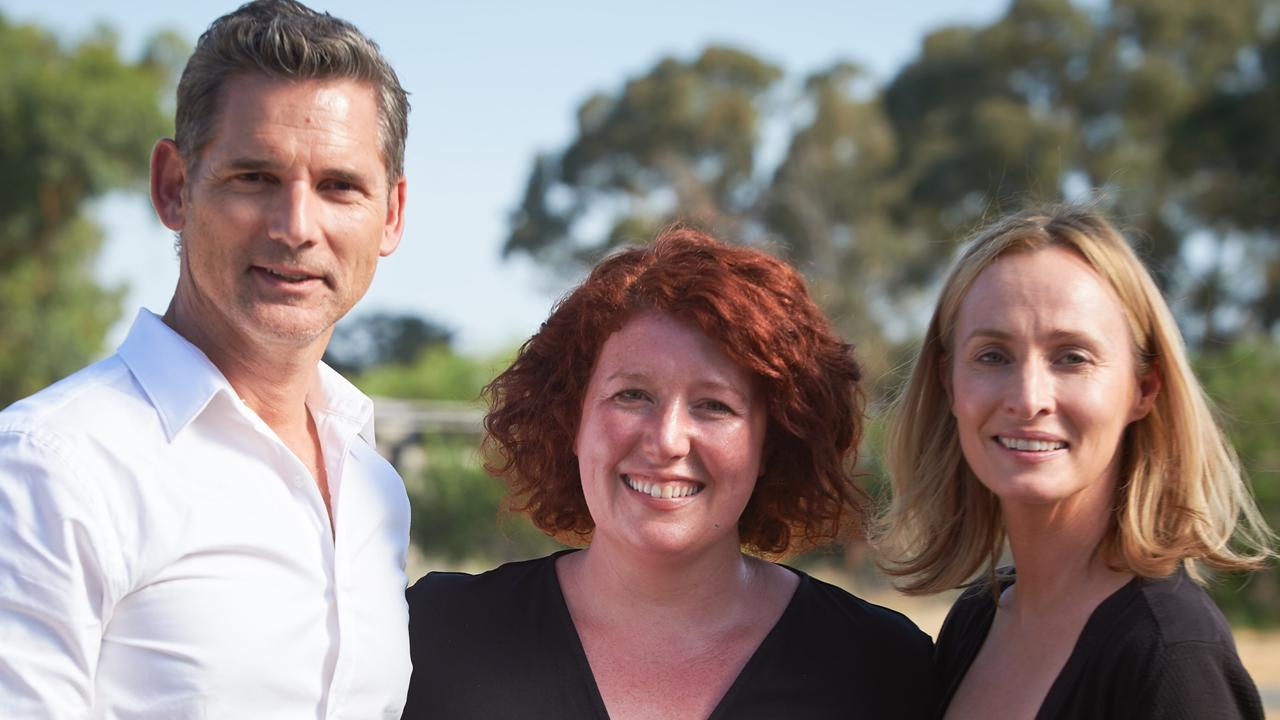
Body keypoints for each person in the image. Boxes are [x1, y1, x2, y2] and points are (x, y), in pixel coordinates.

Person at [0, 1, 414, 716]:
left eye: (339, 186)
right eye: (253, 178)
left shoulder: (374, 487)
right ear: (173, 187)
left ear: (392, 215)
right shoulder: (50, 471)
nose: (296, 228)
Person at [401, 227, 934, 720]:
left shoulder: (880, 668)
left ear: (772, 441)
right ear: (571, 419)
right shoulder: (437, 634)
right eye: (632, 395)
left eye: (714, 406)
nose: (667, 440)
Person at [877, 206, 1276, 719]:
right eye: (993, 356)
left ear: (1144, 389)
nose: (1028, 398)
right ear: (948, 382)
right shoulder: (978, 619)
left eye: (1072, 357)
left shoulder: (1172, 656)